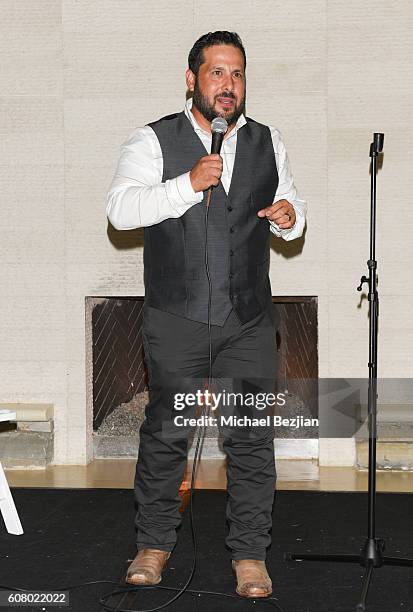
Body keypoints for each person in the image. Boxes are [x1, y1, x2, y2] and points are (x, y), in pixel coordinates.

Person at [106, 31, 307, 599]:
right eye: (217, 73)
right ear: (191, 78)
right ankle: (153, 545)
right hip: (176, 316)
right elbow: (121, 211)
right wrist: (187, 185)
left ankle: (249, 555)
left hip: (247, 319)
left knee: (250, 439)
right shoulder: (152, 140)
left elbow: (292, 212)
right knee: (167, 434)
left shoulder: (268, 141)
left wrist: (290, 217)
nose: (228, 85)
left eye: (237, 74)